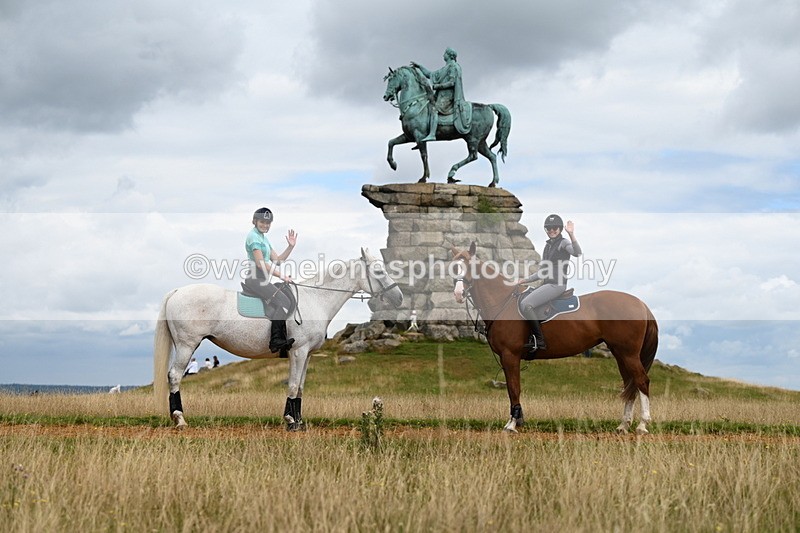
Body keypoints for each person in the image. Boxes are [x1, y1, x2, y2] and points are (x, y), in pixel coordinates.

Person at [516, 214, 582, 354]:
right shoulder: (547, 247)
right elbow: (542, 273)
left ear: (560, 229)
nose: (552, 230)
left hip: (557, 285)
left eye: (555, 228)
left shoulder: (563, 243)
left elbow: (577, 253)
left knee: (526, 304)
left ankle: (539, 340)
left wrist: (571, 234)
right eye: (549, 228)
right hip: (547, 284)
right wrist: (524, 280)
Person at [243, 207, 298, 356]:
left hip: (263, 278)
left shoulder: (264, 239)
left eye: (268, 223)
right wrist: (282, 276)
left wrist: (290, 247)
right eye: (262, 222)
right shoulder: (253, 237)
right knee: (284, 302)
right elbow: (260, 263)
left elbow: (278, 260)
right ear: (255, 221)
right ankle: (276, 341)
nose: (265, 225)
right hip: (255, 278)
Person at [410, 47, 471, 141]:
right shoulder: (445, 68)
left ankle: (432, 134)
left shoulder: (453, 67)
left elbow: (452, 83)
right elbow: (430, 74)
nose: (443, 55)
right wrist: (419, 67)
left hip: (448, 97)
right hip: (441, 96)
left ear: (450, 55)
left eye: (445, 53)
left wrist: (437, 86)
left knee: (434, 109)